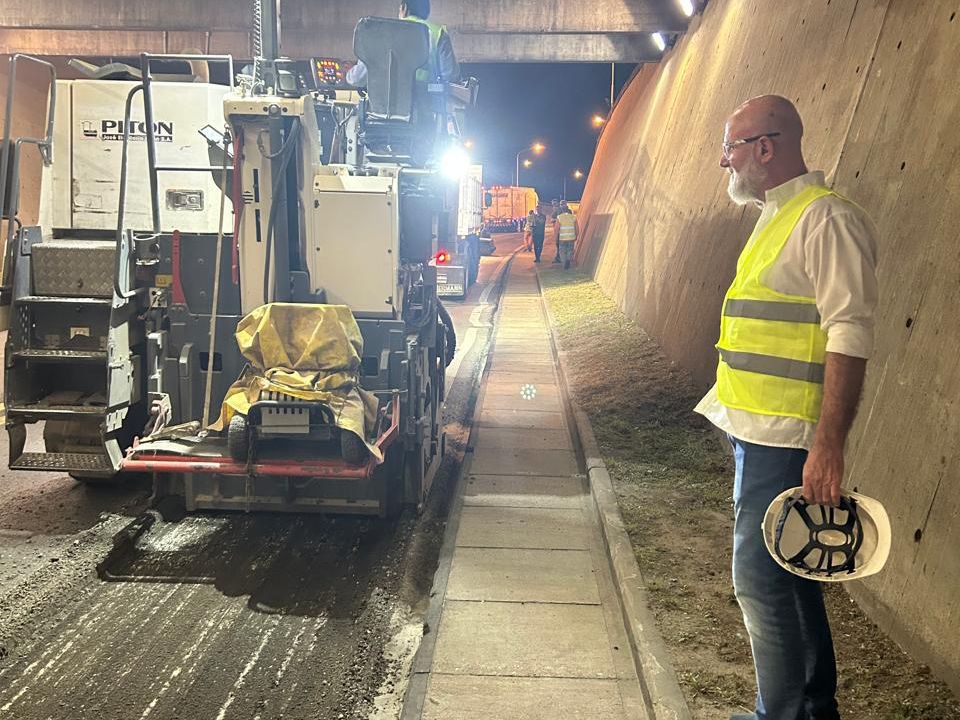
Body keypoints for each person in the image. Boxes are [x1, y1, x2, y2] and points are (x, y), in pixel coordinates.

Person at [694, 95, 879, 720]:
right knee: (792, 573)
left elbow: (848, 334)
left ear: (764, 149)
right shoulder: (777, 214)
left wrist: (828, 444)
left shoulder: (824, 221)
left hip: (786, 436)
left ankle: (779, 714)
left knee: (760, 582)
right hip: (755, 428)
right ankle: (812, 705)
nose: (725, 160)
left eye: (732, 147)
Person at [346, 0, 459, 87]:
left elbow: (358, 78)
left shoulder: (382, 32)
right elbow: (450, 76)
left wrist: (347, 73)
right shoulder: (438, 32)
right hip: (425, 110)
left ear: (404, 8)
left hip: (381, 110)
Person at [553, 203, 577, 269]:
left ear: (562, 211)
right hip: (571, 237)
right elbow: (576, 228)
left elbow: (556, 229)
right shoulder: (573, 217)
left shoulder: (559, 217)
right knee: (570, 250)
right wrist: (576, 236)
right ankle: (568, 260)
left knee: (562, 251)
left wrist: (555, 238)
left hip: (562, 238)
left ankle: (564, 262)